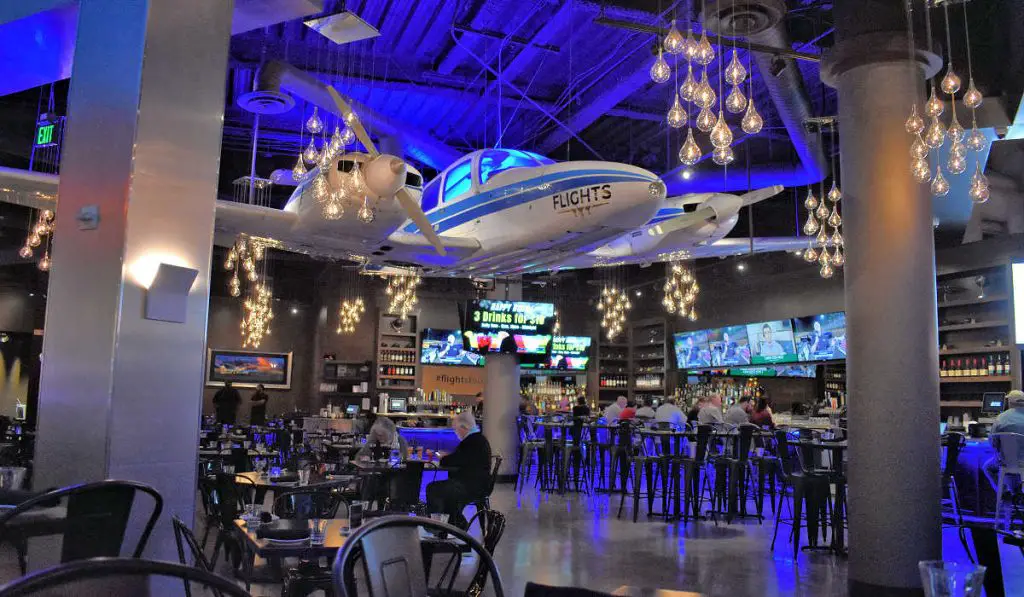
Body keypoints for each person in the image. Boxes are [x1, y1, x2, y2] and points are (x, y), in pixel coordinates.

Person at [427, 411, 492, 529]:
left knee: (433, 489)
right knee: (445, 491)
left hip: (471, 486)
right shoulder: (478, 439)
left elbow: (453, 460)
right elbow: (462, 458)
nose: (456, 433)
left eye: (456, 429)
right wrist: (449, 457)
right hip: (478, 483)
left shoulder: (471, 441)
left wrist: (443, 458)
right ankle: (452, 523)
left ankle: (439, 526)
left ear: (463, 427)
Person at [984, 390, 1024, 494]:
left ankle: (1006, 494)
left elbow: (992, 442)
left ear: (1009, 402)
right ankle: (1018, 497)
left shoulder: (1001, 418)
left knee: (988, 467)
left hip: (1007, 462)